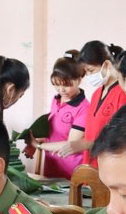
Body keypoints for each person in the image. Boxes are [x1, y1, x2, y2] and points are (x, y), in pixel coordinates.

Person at [50, 40, 126, 167]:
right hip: (90, 166)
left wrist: (85, 144)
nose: (89, 76)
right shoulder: (97, 93)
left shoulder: (123, 93)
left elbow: (122, 139)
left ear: (106, 65)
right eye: (86, 72)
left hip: (110, 167)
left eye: (91, 70)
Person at [34, 51, 88, 179]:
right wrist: (34, 141)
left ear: (79, 80)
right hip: (51, 168)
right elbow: (54, 134)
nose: (61, 90)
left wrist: (39, 146)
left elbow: (71, 146)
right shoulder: (56, 100)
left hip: (70, 174)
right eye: (57, 84)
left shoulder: (84, 109)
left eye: (67, 85)